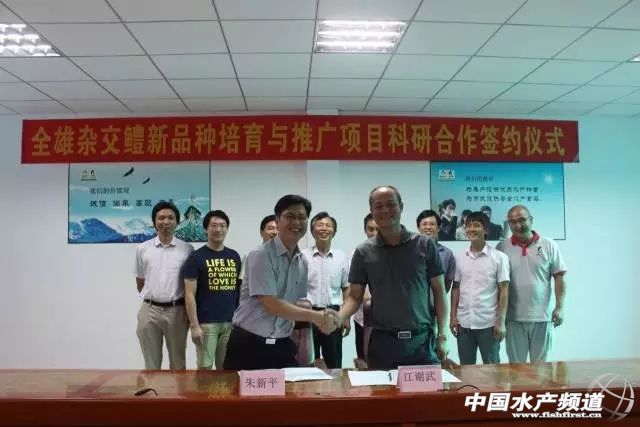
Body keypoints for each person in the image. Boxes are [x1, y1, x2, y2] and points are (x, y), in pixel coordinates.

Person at [338, 186, 449, 370]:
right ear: (372, 210)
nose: (385, 210)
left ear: (401, 207)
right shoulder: (363, 252)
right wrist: (338, 317)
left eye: (390, 204)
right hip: (383, 343)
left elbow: (439, 291)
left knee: (427, 389)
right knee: (382, 389)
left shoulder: (424, 245)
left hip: (421, 343)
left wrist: (443, 336)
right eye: (378, 206)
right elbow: (354, 297)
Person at [223, 195, 340, 370]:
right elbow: (271, 304)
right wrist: (317, 317)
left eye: (301, 217)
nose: (296, 222)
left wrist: (327, 314)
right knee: (243, 389)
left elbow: (295, 303)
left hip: (282, 344)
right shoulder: (261, 255)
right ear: (277, 221)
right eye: (290, 216)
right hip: (249, 345)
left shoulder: (302, 261)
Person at [496, 205, 567, 363]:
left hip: (542, 318)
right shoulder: (502, 247)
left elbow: (560, 277)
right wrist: (499, 319)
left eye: (522, 220)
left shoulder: (548, 245)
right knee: (516, 369)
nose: (517, 225)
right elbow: (498, 285)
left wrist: (560, 307)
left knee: (542, 369)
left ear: (531, 220)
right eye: (512, 222)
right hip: (513, 319)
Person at [135, 201, 194, 370]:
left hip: (177, 311)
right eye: (161, 218)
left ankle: (177, 390)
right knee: (151, 365)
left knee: (178, 363)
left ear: (177, 222)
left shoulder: (187, 249)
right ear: (154, 222)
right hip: (149, 311)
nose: (165, 222)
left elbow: (190, 284)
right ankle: (153, 389)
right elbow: (140, 281)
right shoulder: (142, 248)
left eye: (170, 218)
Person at [182, 210, 241, 370]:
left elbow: (238, 291)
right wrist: (194, 325)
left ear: (227, 228)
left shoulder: (234, 256)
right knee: (205, 368)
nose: (218, 229)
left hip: (230, 323)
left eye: (222, 225)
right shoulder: (196, 257)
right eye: (214, 225)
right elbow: (189, 294)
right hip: (206, 324)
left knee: (227, 368)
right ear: (206, 229)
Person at [451, 212, 509, 365]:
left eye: (476, 225)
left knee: (492, 370)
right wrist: (453, 317)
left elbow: (504, 290)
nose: (471, 229)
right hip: (464, 324)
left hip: (489, 325)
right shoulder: (459, 257)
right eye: (468, 226)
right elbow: (456, 289)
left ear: (486, 230)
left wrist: (501, 322)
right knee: (466, 370)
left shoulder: (499, 258)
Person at [302, 211, 350, 369]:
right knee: (307, 360)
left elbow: (346, 288)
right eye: (320, 225)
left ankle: (335, 385)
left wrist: (346, 317)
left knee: (334, 362)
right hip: (308, 314)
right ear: (312, 231)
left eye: (328, 225)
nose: (324, 228)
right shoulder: (302, 256)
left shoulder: (341, 257)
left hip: (333, 314)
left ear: (334, 232)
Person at [353, 213, 377, 366]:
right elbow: (354, 288)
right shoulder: (358, 253)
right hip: (362, 318)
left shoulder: (393, 253)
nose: (374, 233)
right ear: (365, 230)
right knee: (363, 361)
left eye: (377, 229)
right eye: (370, 229)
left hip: (387, 320)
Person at [416, 209, 456, 292]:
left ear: (438, 228)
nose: (428, 227)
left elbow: (448, 283)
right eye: (424, 224)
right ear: (418, 228)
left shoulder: (447, 254)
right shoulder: (411, 251)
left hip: (437, 299)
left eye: (432, 224)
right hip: (415, 300)